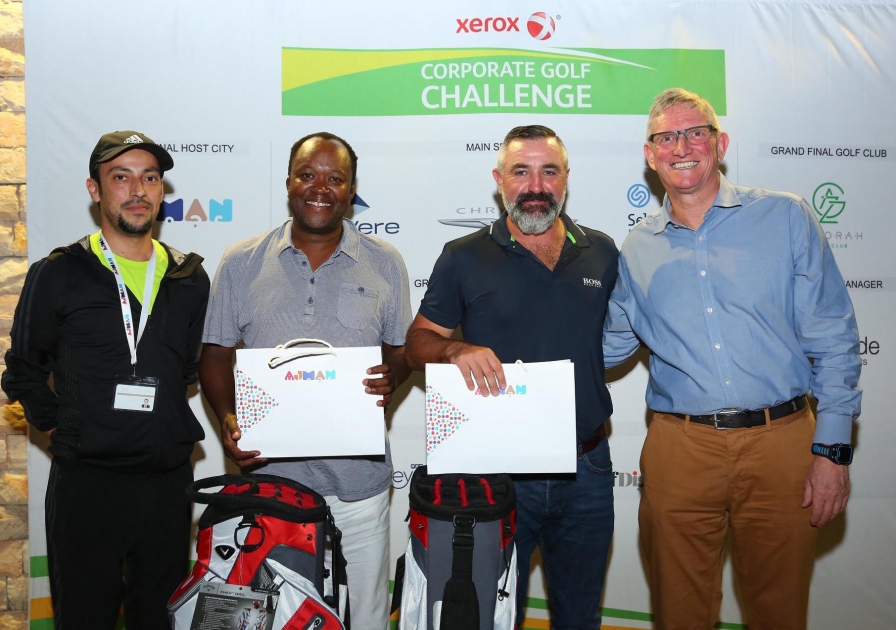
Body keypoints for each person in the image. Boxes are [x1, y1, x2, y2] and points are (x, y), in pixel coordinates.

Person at [603, 88, 861, 629]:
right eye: (665, 137)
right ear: (650, 155)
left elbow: (834, 336)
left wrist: (832, 451)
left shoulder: (785, 216)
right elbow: (609, 345)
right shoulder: (635, 247)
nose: (681, 147)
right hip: (681, 448)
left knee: (779, 612)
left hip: (783, 443)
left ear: (719, 144)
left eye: (694, 133)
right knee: (679, 614)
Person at [405, 125, 617, 629]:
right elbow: (416, 344)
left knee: (581, 618)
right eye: (521, 172)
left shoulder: (603, 252)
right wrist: (454, 348)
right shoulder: (463, 256)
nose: (536, 186)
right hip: (496, 472)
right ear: (499, 180)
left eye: (549, 172)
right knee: (492, 618)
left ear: (566, 178)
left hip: (586, 470)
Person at [199, 132, 412, 630]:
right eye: (307, 175)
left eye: (335, 178)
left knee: (366, 617)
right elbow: (215, 354)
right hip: (270, 488)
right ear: (289, 183)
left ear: (351, 190)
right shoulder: (241, 261)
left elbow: (402, 350)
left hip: (359, 488)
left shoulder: (385, 261)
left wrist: (393, 375)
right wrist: (228, 417)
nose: (320, 188)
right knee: (271, 617)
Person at [1, 131, 210, 628]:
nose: (137, 190)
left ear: (161, 191)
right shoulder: (58, 272)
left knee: (158, 618)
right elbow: (23, 370)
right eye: (121, 177)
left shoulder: (188, 278)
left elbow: (185, 369)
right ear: (95, 190)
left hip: (166, 484)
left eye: (150, 178)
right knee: (84, 618)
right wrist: (64, 428)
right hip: (87, 484)